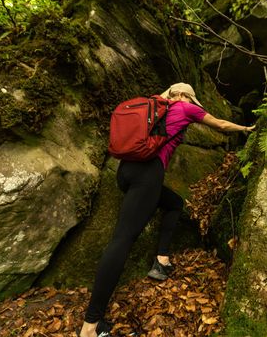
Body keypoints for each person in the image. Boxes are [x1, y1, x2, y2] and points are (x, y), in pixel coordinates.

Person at [78, 82, 255, 337]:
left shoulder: (153, 107)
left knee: (174, 204)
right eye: (193, 100)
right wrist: (248, 128)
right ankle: (90, 326)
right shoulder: (184, 107)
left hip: (126, 171)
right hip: (148, 173)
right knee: (122, 240)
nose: (193, 105)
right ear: (183, 96)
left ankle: (161, 260)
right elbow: (221, 126)